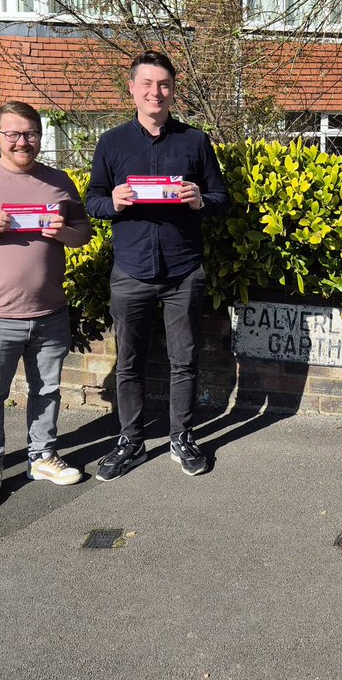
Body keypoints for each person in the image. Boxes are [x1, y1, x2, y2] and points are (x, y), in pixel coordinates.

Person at [85, 50, 230, 480]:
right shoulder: (111, 143)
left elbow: (223, 199)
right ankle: (130, 439)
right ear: (132, 89)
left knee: (184, 360)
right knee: (129, 360)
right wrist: (110, 202)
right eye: (147, 84)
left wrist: (201, 200)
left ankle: (181, 437)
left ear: (173, 90)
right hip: (130, 270)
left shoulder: (195, 141)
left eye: (163, 85)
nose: (155, 92)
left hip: (183, 271)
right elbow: (91, 200)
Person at [0, 101, 93, 509]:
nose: (23, 141)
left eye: (31, 134)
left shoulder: (59, 181)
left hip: (50, 311)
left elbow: (84, 233)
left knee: (48, 390)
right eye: (14, 134)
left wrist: (64, 232)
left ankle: (42, 457)